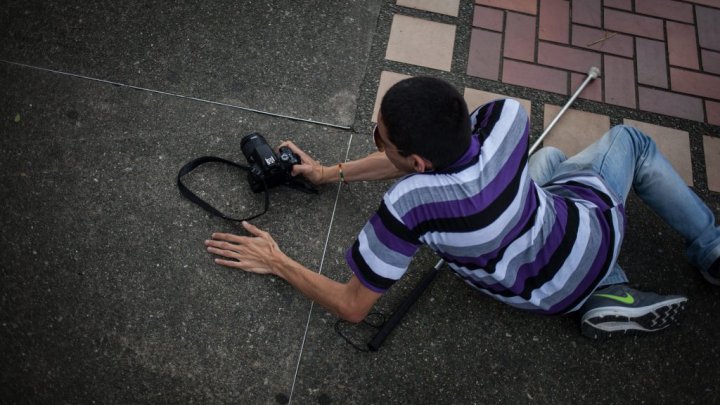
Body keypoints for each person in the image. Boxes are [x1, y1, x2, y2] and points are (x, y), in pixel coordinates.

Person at [204, 77, 720, 339]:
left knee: (618, 145)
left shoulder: (408, 208)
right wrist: (328, 173)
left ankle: (608, 286)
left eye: (378, 138)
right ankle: (702, 251)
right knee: (564, 156)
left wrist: (276, 259)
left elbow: (353, 307)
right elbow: (412, 162)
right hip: (576, 235)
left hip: (531, 292)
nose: (376, 143)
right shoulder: (507, 120)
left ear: (418, 161)